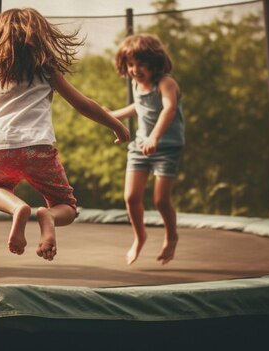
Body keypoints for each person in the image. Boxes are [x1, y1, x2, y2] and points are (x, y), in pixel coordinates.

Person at [0, 8, 130, 261]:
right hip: (38, 148)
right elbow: (83, 104)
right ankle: (49, 217)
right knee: (66, 206)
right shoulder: (47, 71)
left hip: (0, 149)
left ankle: (17, 208)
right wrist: (117, 125)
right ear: (40, 39)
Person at [108, 33, 185, 265]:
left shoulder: (166, 83)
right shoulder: (136, 84)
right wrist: (112, 115)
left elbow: (168, 109)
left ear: (154, 62)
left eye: (140, 64)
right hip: (141, 145)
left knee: (161, 200)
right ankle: (140, 236)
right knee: (131, 197)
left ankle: (171, 236)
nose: (135, 69)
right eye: (130, 64)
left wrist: (154, 137)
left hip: (167, 147)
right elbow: (138, 107)